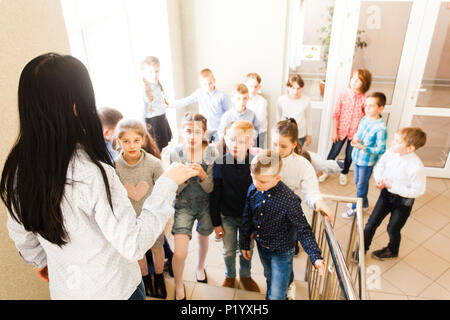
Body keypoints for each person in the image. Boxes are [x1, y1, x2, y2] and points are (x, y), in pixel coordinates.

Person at [1, 53, 198, 300]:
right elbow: (133, 243)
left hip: (66, 292)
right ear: (75, 106)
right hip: (117, 290)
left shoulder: (17, 171)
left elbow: (25, 241)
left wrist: (52, 261)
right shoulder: (91, 172)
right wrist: (168, 183)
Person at [240, 150, 326, 300]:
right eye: (254, 179)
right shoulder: (253, 189)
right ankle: (284, 284)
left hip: (282, 251)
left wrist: (315, 256)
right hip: (262, 246)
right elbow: (247, 216)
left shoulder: (289, 200)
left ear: (277, 177)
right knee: (269, 276)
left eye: (263, 181)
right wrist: (245, 243)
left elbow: (303, 229)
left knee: (276, 294)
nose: (257, 184)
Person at [271, 118, 333, 299]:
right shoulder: (267, 159)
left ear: (294, 144)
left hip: (291, 220)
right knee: (271, 257)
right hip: (270, 218)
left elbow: (311, 192)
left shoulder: (303, 165)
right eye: (274, 144)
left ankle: (287, 284)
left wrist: (318, 203)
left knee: (285, 257)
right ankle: (275, 281)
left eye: (283, 146)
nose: (277, 150)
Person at [161, 112, 216, 300]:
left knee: (203, 237)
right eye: (188, 131)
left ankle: (200, 267)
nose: (193, 136)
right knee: (180, 252)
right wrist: (183, 175)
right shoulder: (176, 153)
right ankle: (178, 284)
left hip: (205, 204)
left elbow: (209, 188)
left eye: (197, 132)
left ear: (205, 132)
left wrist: (201, 174)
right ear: (182, 131)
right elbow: (173, 188)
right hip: (183, 204)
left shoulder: (211, 152)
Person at [114, 119, 167, 299]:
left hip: (152, 216)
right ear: (118, 141)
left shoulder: (153, 163)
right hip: (130, 220)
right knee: (139, 251)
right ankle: (144, 277)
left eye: (136, 140)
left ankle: (159, 277)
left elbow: (163, 190)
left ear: (143, 139)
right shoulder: (114, 166)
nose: (131, 145)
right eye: (126, 141)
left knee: (157, 247)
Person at [210, 121, 260, 292]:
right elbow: (215, 194)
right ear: (225, 138)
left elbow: (259, 196)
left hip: (249, 219)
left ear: (250, 144)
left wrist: (256, 223)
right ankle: (230, 275)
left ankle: (245, 275)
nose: (235, 145)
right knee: (229, 250)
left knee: (247, 250)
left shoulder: (256, 164)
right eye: (231, 139)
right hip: (227, 217)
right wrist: (216, 223)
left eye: (241, 142)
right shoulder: (220, 163)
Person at [363, 127, 426, 260]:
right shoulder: (391, 152)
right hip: (386, 194)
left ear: (410, 148)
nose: (392, 143)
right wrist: (379, 179)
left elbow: (418, 190)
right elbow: (380, 166)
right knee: (371, 224)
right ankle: (362, 249)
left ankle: (392, 250)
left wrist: (392, 186)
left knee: (393, 229)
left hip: (403, 201)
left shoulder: (416, 167)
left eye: (397, 141)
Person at [320, 69, 372, 185]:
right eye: (353, 78)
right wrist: (334, 132)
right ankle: (326, 171)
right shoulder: (344, 95)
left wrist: (361, 136)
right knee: (333, 152)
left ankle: (344, 173)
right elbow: (336, 114)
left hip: (355, 134)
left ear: (365, 83)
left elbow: (366, 118)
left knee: (350, 155)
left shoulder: (365, 99)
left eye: (358, 80)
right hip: (340, 131)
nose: (354, 81)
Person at [342, 92, 387, 219]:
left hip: (366, 162)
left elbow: (381, 149)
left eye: (371, 106)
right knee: (358, 182)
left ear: (381, 108)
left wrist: (363, 147)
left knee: (361, 185)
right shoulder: (365, 118)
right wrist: (356, 138)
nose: (367, 108)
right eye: (366, 105)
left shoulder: (381, 128)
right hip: (356, 157)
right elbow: (359, 132)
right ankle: (363, 203)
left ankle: (356, 209)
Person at [169, 68, 229, 142]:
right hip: (204, 129)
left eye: (210, 83)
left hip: (217, 129)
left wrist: (224, 128)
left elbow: (226, 114)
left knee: (217, 149)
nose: (208, 86)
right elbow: (186, 100)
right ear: (201, 84)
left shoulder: (222, 96)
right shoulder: (199, 93)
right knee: (205, 149)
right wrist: (170, 105)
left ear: (214, 80)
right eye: (204, 84)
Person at [141, 56, 173, 151]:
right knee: (157, 147)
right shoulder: (144, 88)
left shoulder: (156, 83)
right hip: (153, 121)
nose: (154, 75)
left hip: (161, 117)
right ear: (143, 72)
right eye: (150, 72)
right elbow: (142, 110)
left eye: (156, 71)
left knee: (164, 144)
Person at [276, 74, 312, 147]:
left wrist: (309, 135)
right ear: (288, 87)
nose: (295, 91)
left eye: (298, 88)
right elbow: (278, 117)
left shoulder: (306, 101)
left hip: (300, 135)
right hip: (285, 133)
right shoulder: (281, 100)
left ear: (302, 88)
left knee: (297, 155)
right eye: (293, 88)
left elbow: (308, 118)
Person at [245, 73, 268, 148]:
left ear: (259, 87)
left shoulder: (262, 101)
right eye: (250, 86)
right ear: (245, 85)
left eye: (256, 87)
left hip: (259, 133)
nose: (253, 89)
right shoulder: (242, 99)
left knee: (257, 155)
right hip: (244, 132)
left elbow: (260, 120)